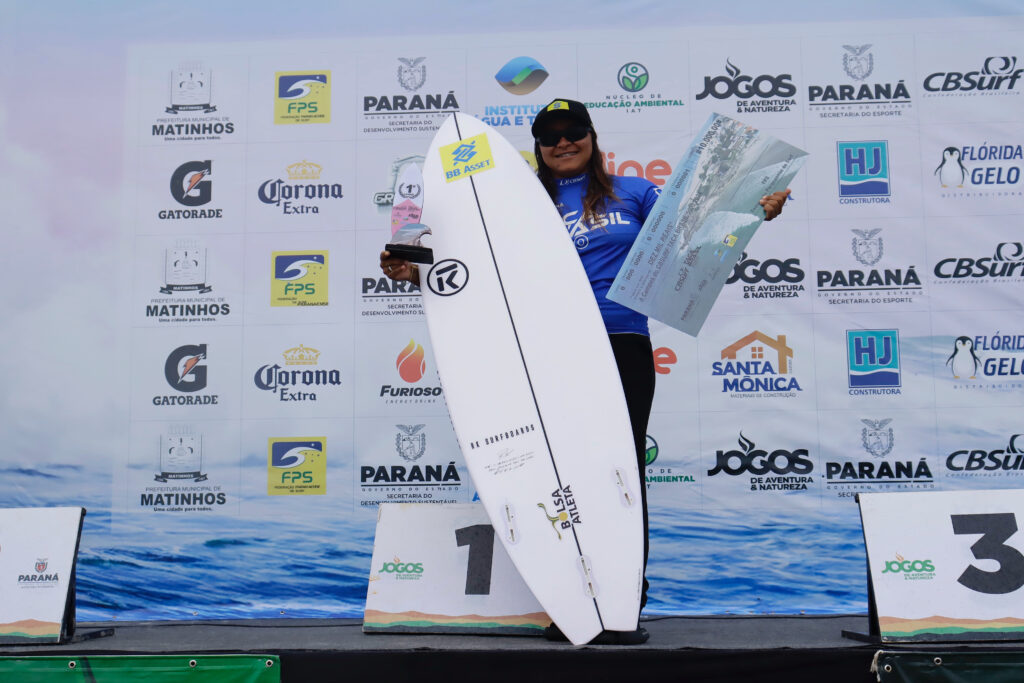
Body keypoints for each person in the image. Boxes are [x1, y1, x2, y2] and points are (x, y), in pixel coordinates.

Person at [380, 99, 789, 644]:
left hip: (619, 343)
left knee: (618, 468)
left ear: (593, 137)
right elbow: (469, 277)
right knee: (550, 469)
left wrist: (753, 210)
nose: (563, 141)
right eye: (550, 135)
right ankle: (567, 597)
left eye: (574, 131)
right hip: (544, 349)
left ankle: (623, 600)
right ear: (537, 148)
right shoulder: (513, 202)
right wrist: (411, 271)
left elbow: (694, 235)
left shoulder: (635, 191)